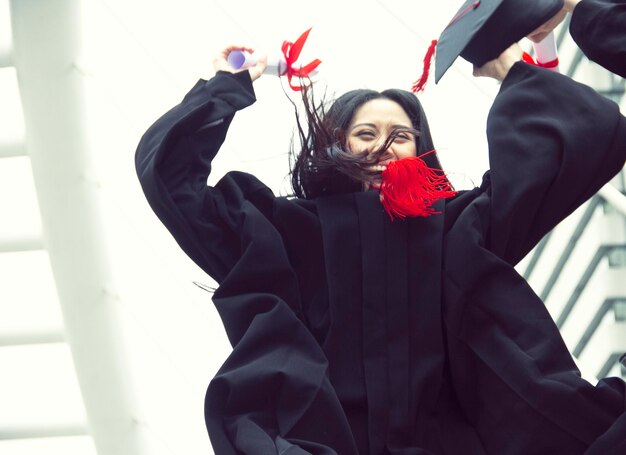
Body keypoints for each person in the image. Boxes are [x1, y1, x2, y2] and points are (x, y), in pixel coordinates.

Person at [135, 0, 626, 452]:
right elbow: (173, 181)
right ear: (338, 146)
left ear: (422, 150)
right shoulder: (284, 232)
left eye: (401, 136)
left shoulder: (459, 226)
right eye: (365, 133)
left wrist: (510, 68)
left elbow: (571, 147)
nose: (383, 147)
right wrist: (226, 84)